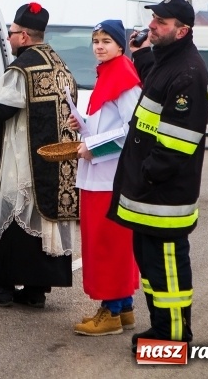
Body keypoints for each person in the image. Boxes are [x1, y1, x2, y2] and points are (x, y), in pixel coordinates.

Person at [106, 0, 208, 352]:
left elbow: (178, 144)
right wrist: (141, 54)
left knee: (168, 271)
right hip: (149, 196)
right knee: (152, 270)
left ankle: (174, 338)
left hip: (163, 197)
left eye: (162, 23)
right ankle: (161, 329)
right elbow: (155, 85)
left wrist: (147, 175)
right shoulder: (169, 63)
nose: (152, 25)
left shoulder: (188, 73)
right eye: (154, 19)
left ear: (182, 31)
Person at [0, 2, 79, 308]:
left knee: (9, 211)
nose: (9, 38)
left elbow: (7, 107)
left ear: (24, 36)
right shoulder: (58, 63)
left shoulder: (23, 66)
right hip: (52, 163)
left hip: (22, 159)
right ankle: (35, 290)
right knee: (38, 219)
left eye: (11, 33)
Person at [69, 20, 141, 336]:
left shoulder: (123, 77)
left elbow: (133, 129)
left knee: (106, 245)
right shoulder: (108, 73)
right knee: (108, 243)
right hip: (98, 176)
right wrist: (83, 124)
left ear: (120, 45)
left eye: (106, 41)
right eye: (96, 40)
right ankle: (123, 308)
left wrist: (93, 148)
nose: (99, 46)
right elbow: (104, 124)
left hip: (109, 178)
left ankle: (110, 313)